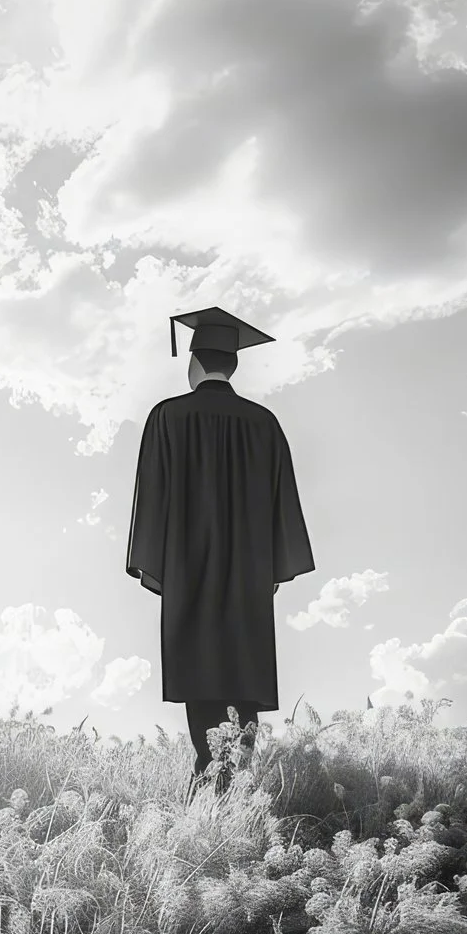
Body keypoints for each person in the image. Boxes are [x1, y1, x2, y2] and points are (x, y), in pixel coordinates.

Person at [126, 307, 316, 788]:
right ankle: (234, 783)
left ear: (193, 361)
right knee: (243, 673)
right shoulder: (264, 424)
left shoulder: (167, 416)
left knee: (199, 670)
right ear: (233, 364)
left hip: (190, 572)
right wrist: (271, 569)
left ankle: (210, 780)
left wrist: (158, 564)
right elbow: (283, 504)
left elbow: (152, 498)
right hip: (248, 575)